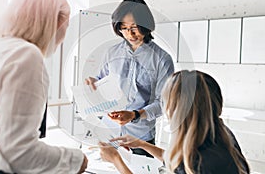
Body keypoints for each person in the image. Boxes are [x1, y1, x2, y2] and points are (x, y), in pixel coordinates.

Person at [0, 0, 88, 174]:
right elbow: (19, 153)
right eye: (65, 28)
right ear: (53, 23)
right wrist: (78, 160)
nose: (63, 38)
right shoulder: (26, 55)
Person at [99, 70, 250, 174]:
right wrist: (142, 144)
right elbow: (181, 163)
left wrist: (116, 160)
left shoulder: (198, 163)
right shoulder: (222, 135)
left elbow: (185, 166)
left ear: (177, 109)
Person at [85, 0, 174, 157]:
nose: (129, 33)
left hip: (140, 138)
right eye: (124, 28)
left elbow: (163, 103)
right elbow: (103, 83)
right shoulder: (111, 53)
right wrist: (94, 84)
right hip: (109, 133)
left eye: (134, 27)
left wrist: (134, 115)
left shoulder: (162, 59)